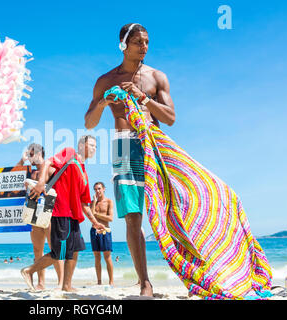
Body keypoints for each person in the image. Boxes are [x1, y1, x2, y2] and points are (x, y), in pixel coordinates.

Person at [84, 23, 175, 297]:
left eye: (147, 41)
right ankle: (144, 281)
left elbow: (170, 118)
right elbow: (89, 122)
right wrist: (103, 103)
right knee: (133, 217)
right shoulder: (105, 80)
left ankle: (190, 269)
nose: (144, 47)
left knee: (171, 212)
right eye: (138, 42)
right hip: (123, 147)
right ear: (123, 45)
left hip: (154, 144)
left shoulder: (156, 77)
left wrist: (144, 99)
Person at [21, 135, 106, 292]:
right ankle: (29, 271)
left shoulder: (85, 174)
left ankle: (67, 285)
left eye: (96, 146)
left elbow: (84, 204)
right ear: (81, 145)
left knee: (75, 250)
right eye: (91, 145)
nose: (94, 148)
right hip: (60, 210)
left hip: (73, 216)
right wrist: (40, 183)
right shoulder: (70, 153)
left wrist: (94, 222)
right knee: (58, 252)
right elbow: (48, 162)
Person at [17, 143, 64, 290]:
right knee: (37, 250)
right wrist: (22, 160)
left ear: (39, 154)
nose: (30, 158)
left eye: (31, 155)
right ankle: (41, 283)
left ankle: (61, 282)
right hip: (34, 216)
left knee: (54, 249)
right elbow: (14, 174)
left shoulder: (50, 169)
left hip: (50, 215)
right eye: (29, 155)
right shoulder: (32, 173)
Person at [90, 182, 114, 286]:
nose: (97, 191)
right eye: (95, 189)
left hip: (105, 230)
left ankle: (111, 281)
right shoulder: (93, 203)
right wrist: (94, 203)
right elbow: (91, 216)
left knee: (107, 257)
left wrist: (96, 214)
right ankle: (99, 281)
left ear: (104, 189)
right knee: (97, 257)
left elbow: (110, 218)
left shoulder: (109, 202)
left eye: (99, 189)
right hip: (94, 230)